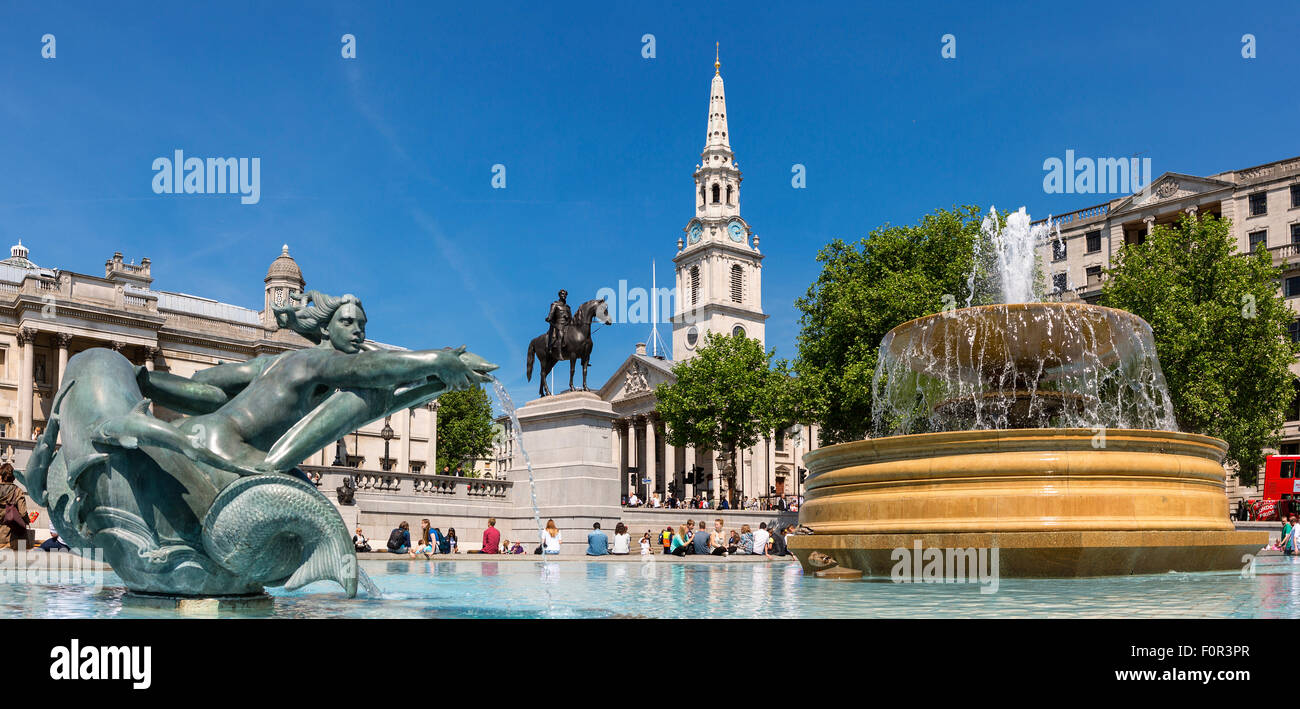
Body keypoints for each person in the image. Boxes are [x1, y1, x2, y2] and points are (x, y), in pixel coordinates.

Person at [0, 463, 29, 550]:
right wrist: (27, 520)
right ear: (13, 477)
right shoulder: (17, 491)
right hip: (13, 536)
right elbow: (23, 513)